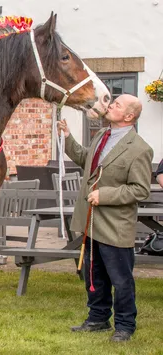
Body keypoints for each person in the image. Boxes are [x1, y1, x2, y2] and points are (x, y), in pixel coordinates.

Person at [57, 94, 153, 342]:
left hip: (115, 226)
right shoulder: (101, 136)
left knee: (121, 280)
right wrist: (68, 137)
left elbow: (140, 189)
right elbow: (85, 160)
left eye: (117, 104)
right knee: (94, 275)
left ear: (129, 116)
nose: (110, 105)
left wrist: (106, 194)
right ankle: (98, 319)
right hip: (91, 221)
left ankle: (124, 326)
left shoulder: (140, 149)